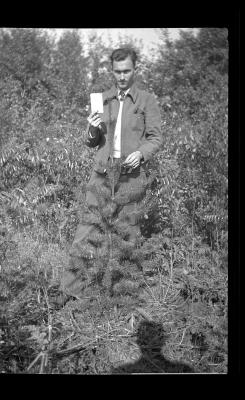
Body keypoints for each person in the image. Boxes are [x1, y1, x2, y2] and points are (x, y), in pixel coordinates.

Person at [60, 47, 162, 299]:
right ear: (112, 71)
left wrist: (140, 153)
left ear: (135, 70)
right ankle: (69, 289)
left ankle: (126, 292)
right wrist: (92, 129)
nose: (122, 76)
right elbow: (93, 142)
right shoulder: (103, 99)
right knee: (88, 228)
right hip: (103, 174)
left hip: (130, 173)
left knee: (128, 232)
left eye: (127, 71)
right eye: (117, 72)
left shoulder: (146, 100)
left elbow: (156, 137)